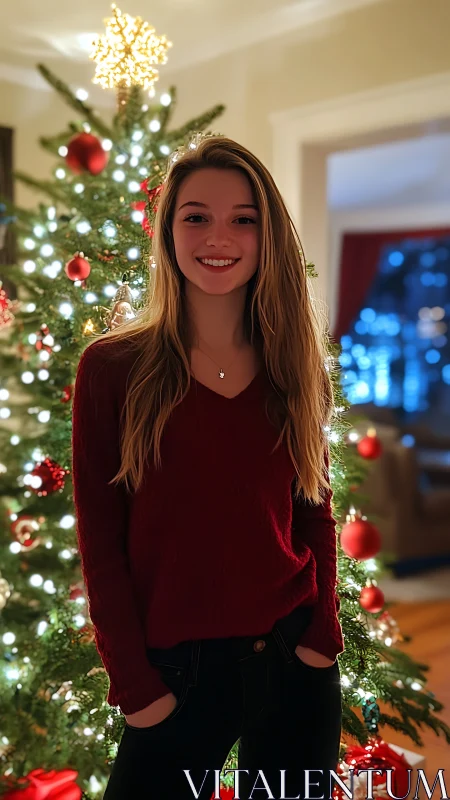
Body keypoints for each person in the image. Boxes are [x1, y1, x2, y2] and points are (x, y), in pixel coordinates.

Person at [71, 134, 344, 800]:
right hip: (174, 678)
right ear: (168, 232)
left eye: (241, 218)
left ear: (266, 235)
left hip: (292, 660)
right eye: (196, 215)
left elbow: (313, 509)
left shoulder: (290, 364)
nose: (217, 236)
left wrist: (320, 635)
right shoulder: (112, 369)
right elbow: (100, 543)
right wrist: (135, 686)